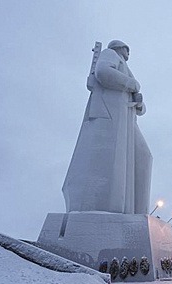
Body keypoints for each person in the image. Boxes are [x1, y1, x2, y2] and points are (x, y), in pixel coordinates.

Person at [62, 40, 152, 214]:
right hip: (111, 113)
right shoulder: (110, 54)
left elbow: (139, 107)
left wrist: (140, 104)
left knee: (144, 156)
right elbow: (103, 72)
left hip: (127, 118)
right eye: (127, 49)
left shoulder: (125, 66)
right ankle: (110, 208)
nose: (129, 53)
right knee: (112, 160)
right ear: (119, 48)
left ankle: (139, 212)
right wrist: (132, 84)